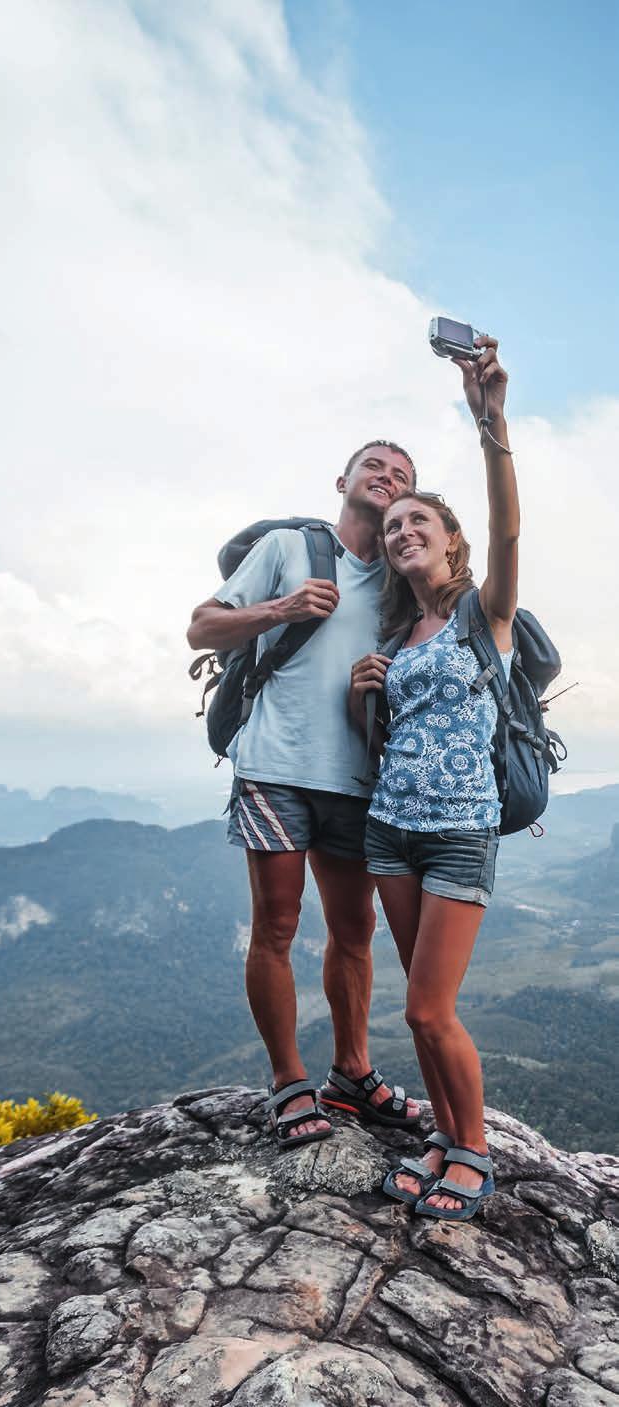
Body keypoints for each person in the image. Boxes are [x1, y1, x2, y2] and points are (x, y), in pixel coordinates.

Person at [186, 443, 423, 1149]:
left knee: (354, 932)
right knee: (278, 927)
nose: (388, 477)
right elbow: (201, 625)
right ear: (343, 481)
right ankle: (290, 1082)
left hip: (356, 777)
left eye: (404, 475)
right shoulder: (289, 548)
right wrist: (280, 609)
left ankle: (351, 1072)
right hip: (275, 767)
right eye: (375, 466)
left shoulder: (401, 578)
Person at [349, 335, 516, 1221]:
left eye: (421, 521)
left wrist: (491, 423)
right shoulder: (396, 642)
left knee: (428, 1007)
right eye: (393, 525)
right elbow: (383, 744)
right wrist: (360, 693)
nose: (404, 529)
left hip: (458, 829)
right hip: (390, 829)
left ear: (451, 544)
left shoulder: (486, 619)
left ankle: (475, 1151)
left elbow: (509, 528)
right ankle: (446, 1137)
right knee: (418, 1008)